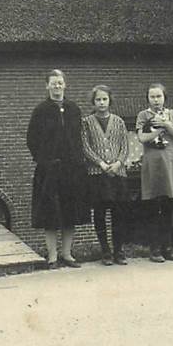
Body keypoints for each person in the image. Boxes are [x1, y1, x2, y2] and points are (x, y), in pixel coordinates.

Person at [26, 69, 89, 268]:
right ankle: (52, 256)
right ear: (47, 86)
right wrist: (43, 159)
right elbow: (31, 139)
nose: (57, 87)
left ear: (65, 85)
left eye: (60, 83)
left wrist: (78, 161)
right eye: (53, 83)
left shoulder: (73, 109)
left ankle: (67, 254)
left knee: (70, 212)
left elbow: (79, 138)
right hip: (50, 170)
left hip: (72, 170)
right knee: (50, 214)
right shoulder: (40, 110)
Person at [81, 85, 131, 266]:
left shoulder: (119, 122)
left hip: (118, 174)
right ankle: (105, 251)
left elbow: (125, 146)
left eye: (104, 99)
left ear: (110, 101)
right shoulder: (86, 122)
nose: (101, 103)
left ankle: (119, 251)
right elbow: (85, 146)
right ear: (93, 102)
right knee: (100, 213)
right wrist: (101, 164)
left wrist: (118, 163)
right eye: (98, 100)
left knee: (119, 213)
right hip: (97, 174)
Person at [136, 83, 173, 263]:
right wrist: (156, 130)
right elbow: (142, 138)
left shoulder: (172, 114)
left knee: (168, 206)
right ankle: (154, 249)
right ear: (147, 98)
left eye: (159, 96)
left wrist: (166, 124)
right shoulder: (143, 115)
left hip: (171, 163)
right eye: (152, 97)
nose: (156, 100)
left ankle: (168, 247)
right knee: (153, 207)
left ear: (165, 97)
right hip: (153, 164)